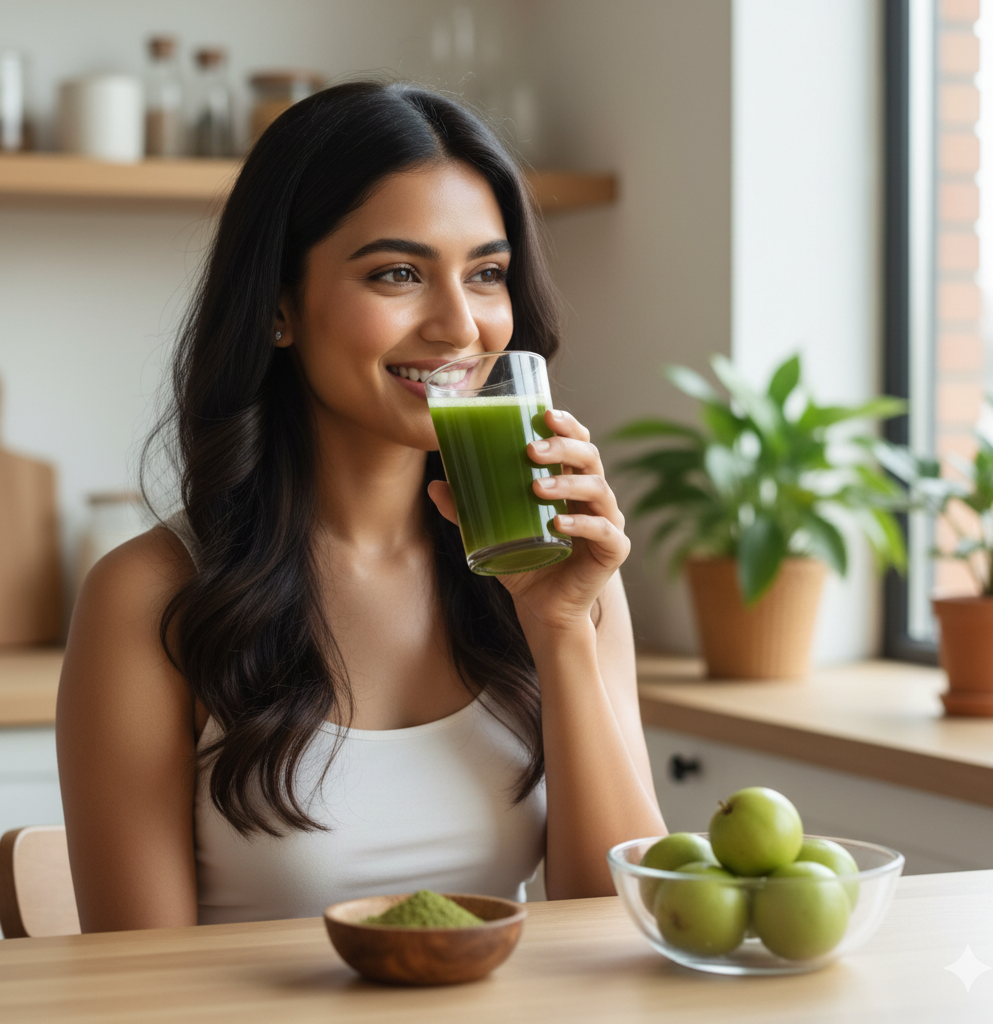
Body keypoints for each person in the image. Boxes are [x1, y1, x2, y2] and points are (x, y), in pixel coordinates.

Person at [56, 80, 666, 932]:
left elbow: (623, 927)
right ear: (278, 305)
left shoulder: (562, 570)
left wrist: (563, 628)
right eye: (398, 273)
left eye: (487, 273)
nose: (460, 325)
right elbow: (135, 983)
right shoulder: (150, 597)